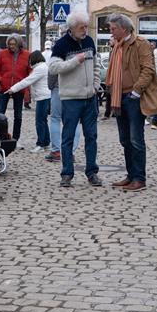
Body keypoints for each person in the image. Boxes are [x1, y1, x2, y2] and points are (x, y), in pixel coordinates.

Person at [105, 13, 157, 192]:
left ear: (124, 28)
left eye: (113, 28)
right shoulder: (117, 45)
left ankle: (139, 178)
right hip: (118, 96)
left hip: (133, 97)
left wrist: (136, 91)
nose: (111, 31)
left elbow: (148, 69)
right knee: (125, 140)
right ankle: (131, 175)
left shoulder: (141, 44)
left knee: (135, 139)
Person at [48, 11, 102, 188]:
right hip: (71, 98)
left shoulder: (89, 41)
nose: (85, 30)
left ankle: (92, 172)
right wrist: (75, 61)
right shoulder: (61, 44)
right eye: (82, 27)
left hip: (89, 97)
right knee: (68, 137)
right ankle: (67, 174)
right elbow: (54, 67)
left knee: (91, 136)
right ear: (72, 27)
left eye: (86, 26)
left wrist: (95, 85)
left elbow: (95, 66)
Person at [7, 50, 50, 153]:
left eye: (30, 60)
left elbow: (27, 81)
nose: (29, 62)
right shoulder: (43, 67)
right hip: (45, 96)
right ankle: (46, 143)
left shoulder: (40, 69)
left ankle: (40, 144)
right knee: (43, 121)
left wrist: (13, 88)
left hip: (42, 97)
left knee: (39, 121)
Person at [0, 34, 29, 141]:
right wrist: (0, 80)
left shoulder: (27, 55)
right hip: (4, 87)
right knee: (0, 114)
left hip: (19, 88)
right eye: (10, 44)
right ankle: (0, 137)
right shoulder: (2, 53)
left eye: (14, 44)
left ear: (19, 44)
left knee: (18, 115)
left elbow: (29, 70)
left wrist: (25, 84)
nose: (12, 46)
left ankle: (15, 139)